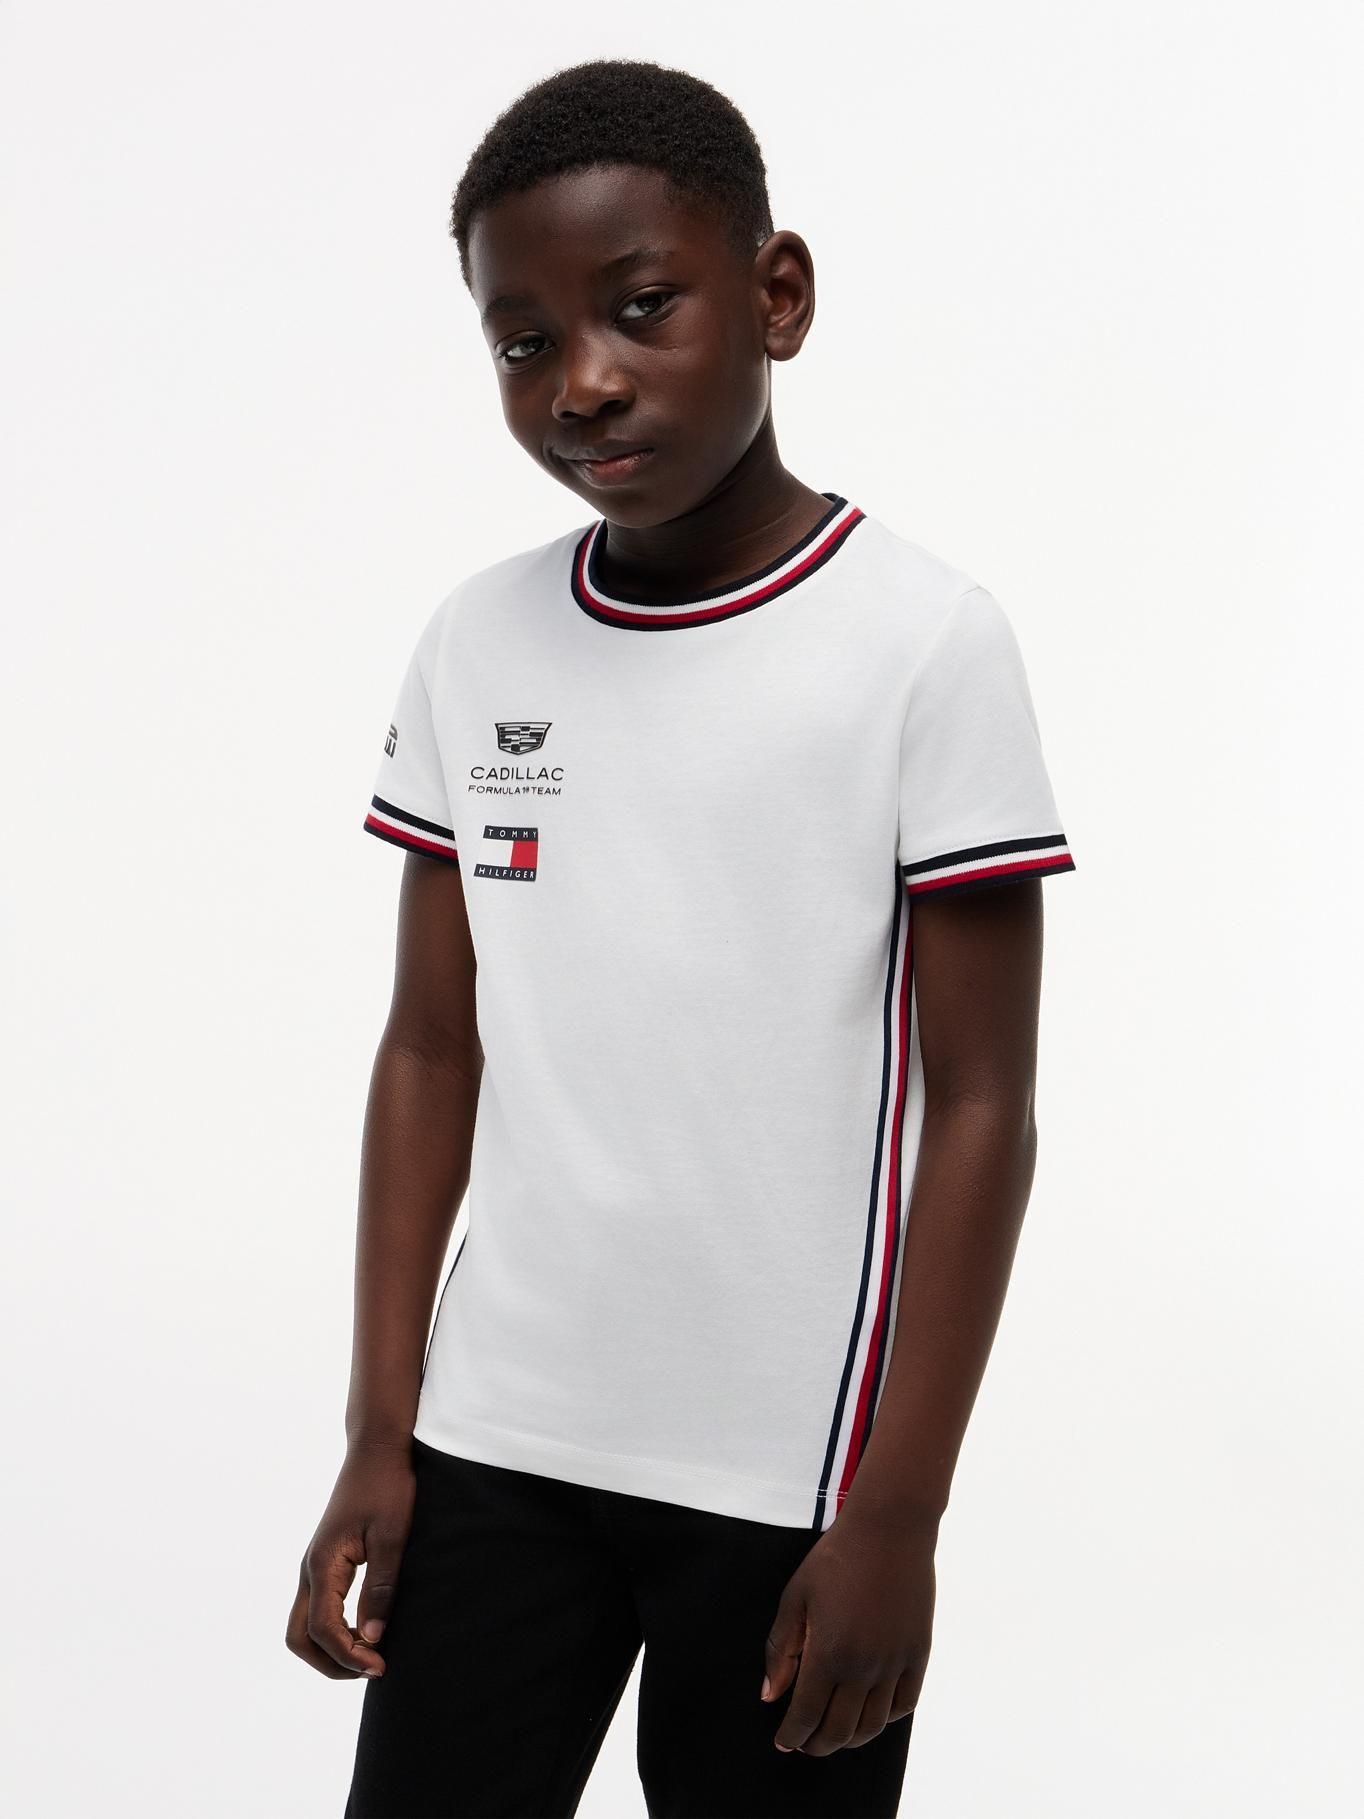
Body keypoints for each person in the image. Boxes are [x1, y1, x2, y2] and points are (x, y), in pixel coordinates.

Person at [285, 56, 1077, 1819]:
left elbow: (981, 1107)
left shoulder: (923, 644)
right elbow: (430, 1045)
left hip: (792, 1485)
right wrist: (377, 1434)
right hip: (493, 1446)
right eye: (522, 341)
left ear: (777, 294)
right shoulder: (477, 642)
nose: (582, 380)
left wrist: (898, 1515)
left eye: (641, 307)